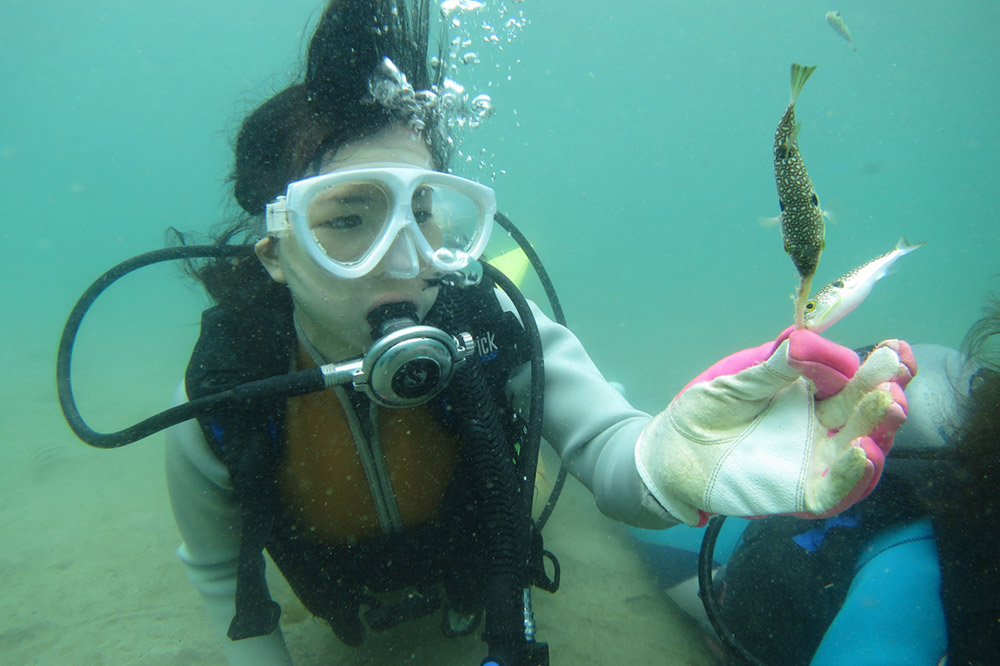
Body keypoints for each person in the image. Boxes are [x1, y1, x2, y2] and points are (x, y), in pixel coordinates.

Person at [149, 1, 913, 664]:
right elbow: (221, 574)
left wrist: (673, 468)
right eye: (347, 220)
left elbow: (614, 450)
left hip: (467, 573)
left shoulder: (488, 321)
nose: (406, 261)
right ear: (275, 253)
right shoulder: (222, 390)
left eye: (422, 213)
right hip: (340, 596)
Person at [630, 299, 1000, 665]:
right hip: (736, 571)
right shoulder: (923, 557)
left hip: (756, 567)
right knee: (651, 498)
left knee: (654, 495)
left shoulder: (918, 564)